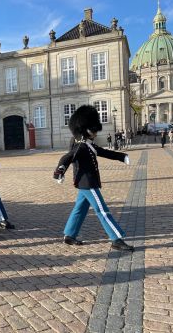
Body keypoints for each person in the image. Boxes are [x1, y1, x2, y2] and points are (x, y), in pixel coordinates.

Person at [53, 105, 134, 251]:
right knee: (102, 210)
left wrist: (122, 156)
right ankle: (116, 238)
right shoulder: (81, 146)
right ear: (85, 129)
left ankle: (69, 235)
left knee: (80, 209)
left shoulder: (88, 144)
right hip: (88, 184)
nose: (95, 133)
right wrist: (59, 172)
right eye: (93, 130)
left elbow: (103, 152)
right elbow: (67, 157)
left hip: (86, 183)